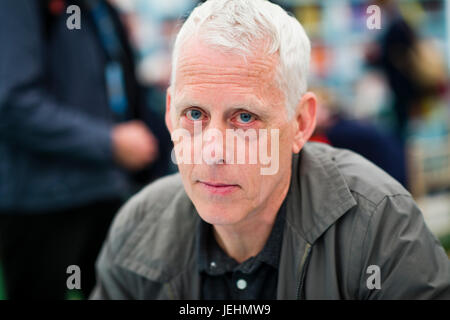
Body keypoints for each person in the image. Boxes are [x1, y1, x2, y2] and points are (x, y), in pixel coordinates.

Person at [91, 0, 450, 299]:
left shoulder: (380, 228)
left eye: (245, 117)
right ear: (170, 114)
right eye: (195, 113)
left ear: (302, 123)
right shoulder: (137, 229)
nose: (212, 151)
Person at [0, 0, 160, 299]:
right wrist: (108, 142)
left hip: (105, 189)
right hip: (42, 203)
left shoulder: (99, 10)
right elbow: (12, 103)